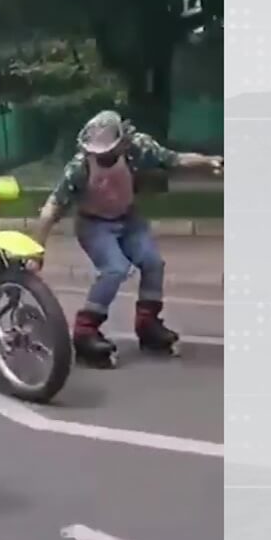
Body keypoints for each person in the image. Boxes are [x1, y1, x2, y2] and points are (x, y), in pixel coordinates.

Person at [30, 110, 223, 365]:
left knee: (153, 263)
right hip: (93, 224)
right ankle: (86, 331)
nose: (102, 157)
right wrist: (36, 251)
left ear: (123, 140)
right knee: (114, 269)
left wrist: (208, 161)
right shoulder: (79, 167)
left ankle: (148, 324)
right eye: (96, 152)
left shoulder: (139, 147)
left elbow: (175, 160)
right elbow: (51, 208)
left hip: (129, 219)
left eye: (107, 151)